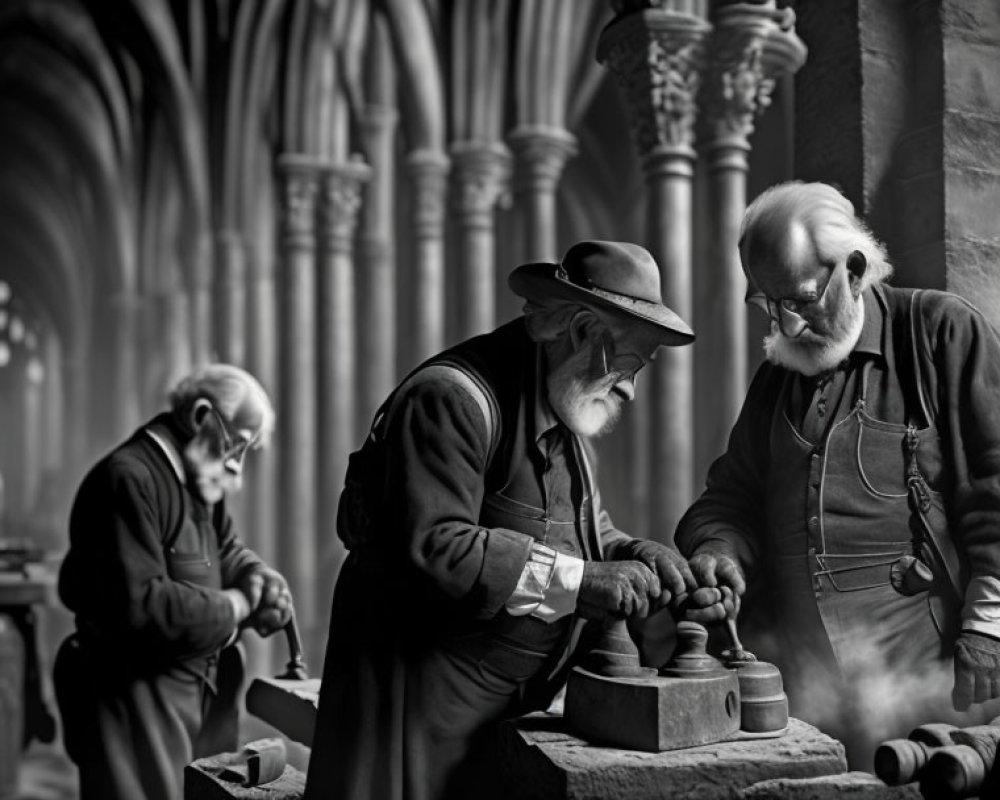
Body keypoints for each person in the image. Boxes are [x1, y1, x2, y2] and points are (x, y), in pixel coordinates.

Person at [305, 240, 699, 800]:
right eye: (631, 362)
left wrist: (631, 553)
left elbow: (579, 532)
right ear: (583, 331)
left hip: (497, 715)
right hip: (418, 720)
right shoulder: (449, 401)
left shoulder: (563, 400)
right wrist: (583, 582)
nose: (631, 389)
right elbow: (439, 548)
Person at [675, 180, 1000, 764]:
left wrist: (989, 626)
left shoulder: (940, 333)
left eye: (800, 299)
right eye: (769, 304)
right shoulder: (777, 379)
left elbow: (997, 491)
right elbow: (729, 498)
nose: (788, 325)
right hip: (803, 698)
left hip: (927, 692)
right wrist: (718, 550)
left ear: (852, 270)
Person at [53, 364, 294, 800]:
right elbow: (143, 606)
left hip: (194, 696)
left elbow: (225, 548)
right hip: (135, 705)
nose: (236, 468)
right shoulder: (128, 479)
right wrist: (239, 605)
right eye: (236, 446)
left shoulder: (198, 477)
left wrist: (256, 574)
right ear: (201, 416)